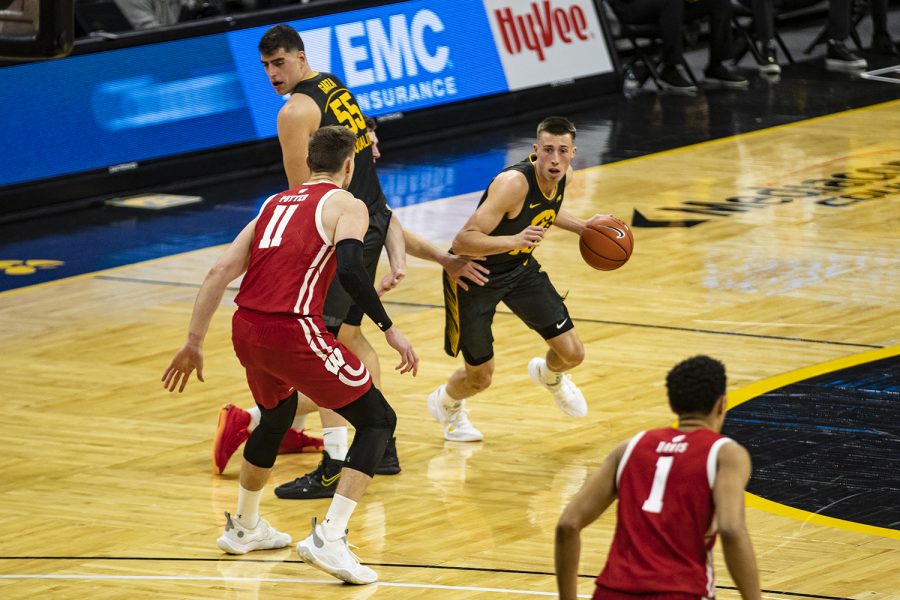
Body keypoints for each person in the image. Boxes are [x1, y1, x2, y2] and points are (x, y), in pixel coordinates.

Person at [212, 23, 489, 495]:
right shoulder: (333, 84)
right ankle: (367, 444)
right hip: (371, 218)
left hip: (340, 233)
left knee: (328, 342)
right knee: (347, 338)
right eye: (265, 66)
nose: (273, 74)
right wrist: (440, 256)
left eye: (279, 63)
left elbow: (305, 193)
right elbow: (364, 166)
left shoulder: (296, 110)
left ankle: (329, 457)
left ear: (300, 57)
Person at [162, 125, 417, 585]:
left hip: (247, 329)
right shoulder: (348, 204)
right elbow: (354, 271)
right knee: (378, 420)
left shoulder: (273, 203)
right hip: (293, 329)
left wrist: (194, 341)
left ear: (308, 162)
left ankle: (244, 527)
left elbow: (220, 270)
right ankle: (331, 538)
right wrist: (391, 330)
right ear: (348, 165)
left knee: (275, 417)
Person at [426, 116, 599, 443]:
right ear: (536, 150)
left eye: (562, 151)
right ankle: (446, 403)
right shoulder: (513, 184)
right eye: (548, 150)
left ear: (573, 153)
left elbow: (546, 208)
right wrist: (513, 240)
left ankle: (549, 377)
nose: (555, 159)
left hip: (518, 269)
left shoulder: (563, 175)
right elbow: (463, 240)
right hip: (472, 275)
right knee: (481, 378)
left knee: (572, 354)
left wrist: (584, 227)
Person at [555, 355, 761, 600]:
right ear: (722, 404)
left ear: (673, 405)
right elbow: (730, 529)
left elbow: (568, 525)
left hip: (613, 591)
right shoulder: (726, 454)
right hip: (682, 591)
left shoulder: (630, 447)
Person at [607, 0, 749, 92]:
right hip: (629, 8)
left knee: (718, 2)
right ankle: (670, 69)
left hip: (667, 6)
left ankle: (716, 66)